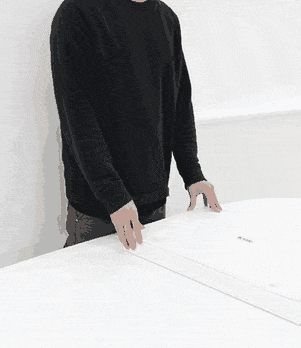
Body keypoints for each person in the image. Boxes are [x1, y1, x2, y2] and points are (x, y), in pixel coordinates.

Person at [50, 0, 222, 251]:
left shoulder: (166, 18)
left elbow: (179, 102)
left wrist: (192, 174)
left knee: (147, 277)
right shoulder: (78, 12)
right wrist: (114, 195)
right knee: (86, 277)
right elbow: (76, 116)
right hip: (98, 209)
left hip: (153, 201)